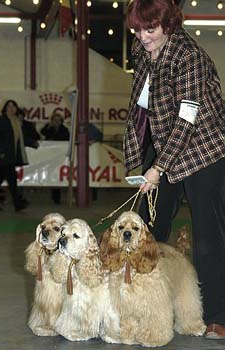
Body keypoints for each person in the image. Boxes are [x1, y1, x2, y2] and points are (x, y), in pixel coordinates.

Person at [124, 0, 225, 338]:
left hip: (203, 150)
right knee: (149, 228)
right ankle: (143, 302)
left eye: (149, 29)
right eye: (137, 29)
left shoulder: (189, 56)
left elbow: (187, 119)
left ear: (167, 25)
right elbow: (141, 104)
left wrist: (158, 168)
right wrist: (140, 156)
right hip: (165, 142)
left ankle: (217, 315)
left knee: (209, 237)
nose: (142, 37)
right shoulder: (142, 51)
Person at [0, 100, 29, 211]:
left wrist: (32, 143)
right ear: (5, 108)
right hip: (4, 156)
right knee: (11, 181)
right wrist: (1, 151)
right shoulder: (1, 120)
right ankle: (18, 204)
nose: (11, 108)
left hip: (10, 156)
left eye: (13, 106)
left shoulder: (16, 121)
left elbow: (19, 139)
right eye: (9, 106)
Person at [40, 112, 70, 204]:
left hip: (60, 156)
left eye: (58, 120)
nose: (56, 122)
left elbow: (66, 139)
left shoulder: (64, 130)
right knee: (52, 174)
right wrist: (49, 126)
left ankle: (57, 197)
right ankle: (54, 196)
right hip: (50, 156)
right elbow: (42, 132)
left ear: (61, 121)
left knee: (57, 175)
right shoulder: (49, 128)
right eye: (54, 120)